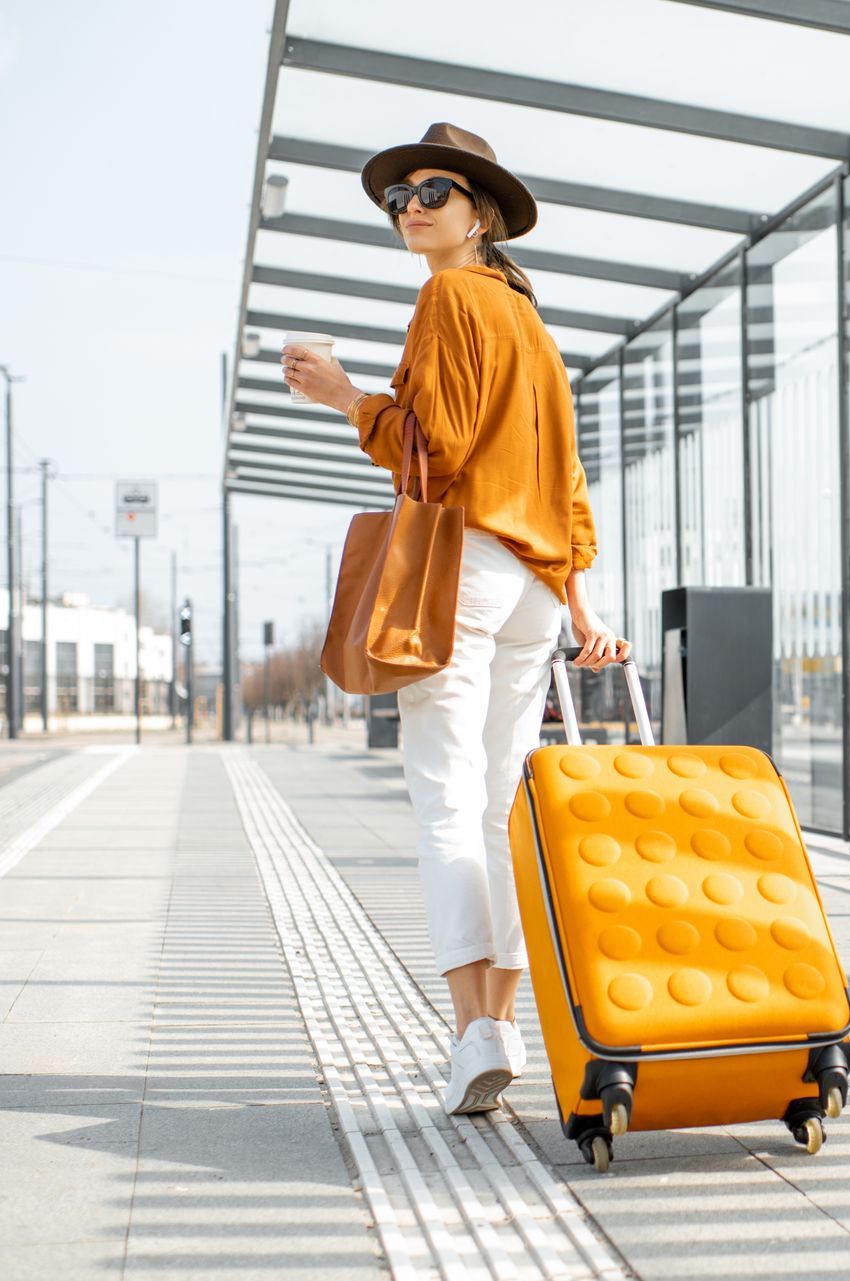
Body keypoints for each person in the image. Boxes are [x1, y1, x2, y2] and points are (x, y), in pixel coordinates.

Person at [282, 122, 629, 1115]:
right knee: (499, 804)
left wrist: (348, 397)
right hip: (533, 588)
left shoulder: (448, 298)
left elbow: (431, 450)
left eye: (434, 191)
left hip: (465, 567)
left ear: (480, 215)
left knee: (444, 799)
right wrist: (580, 604)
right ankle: (502, 1026)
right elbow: (567, 481)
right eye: (400, 198)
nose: (412, 208)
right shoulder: (533, 327)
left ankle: (475, 1032)